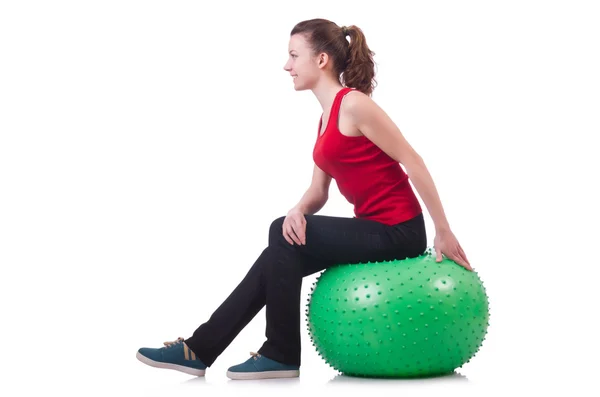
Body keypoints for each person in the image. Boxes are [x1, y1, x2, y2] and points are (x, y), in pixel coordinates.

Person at [136, 18, 472, 381]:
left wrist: (443, 229)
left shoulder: (355, 105)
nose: (287, 66)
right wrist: (297, 211)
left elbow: (413, 161)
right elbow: (319, 192)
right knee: (279, 249)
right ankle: (200, 350)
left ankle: (279, 353)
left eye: (294, 56)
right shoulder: (325, 119)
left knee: (281, 234)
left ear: (322, 59)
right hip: (372, 228)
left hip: (399, 230)